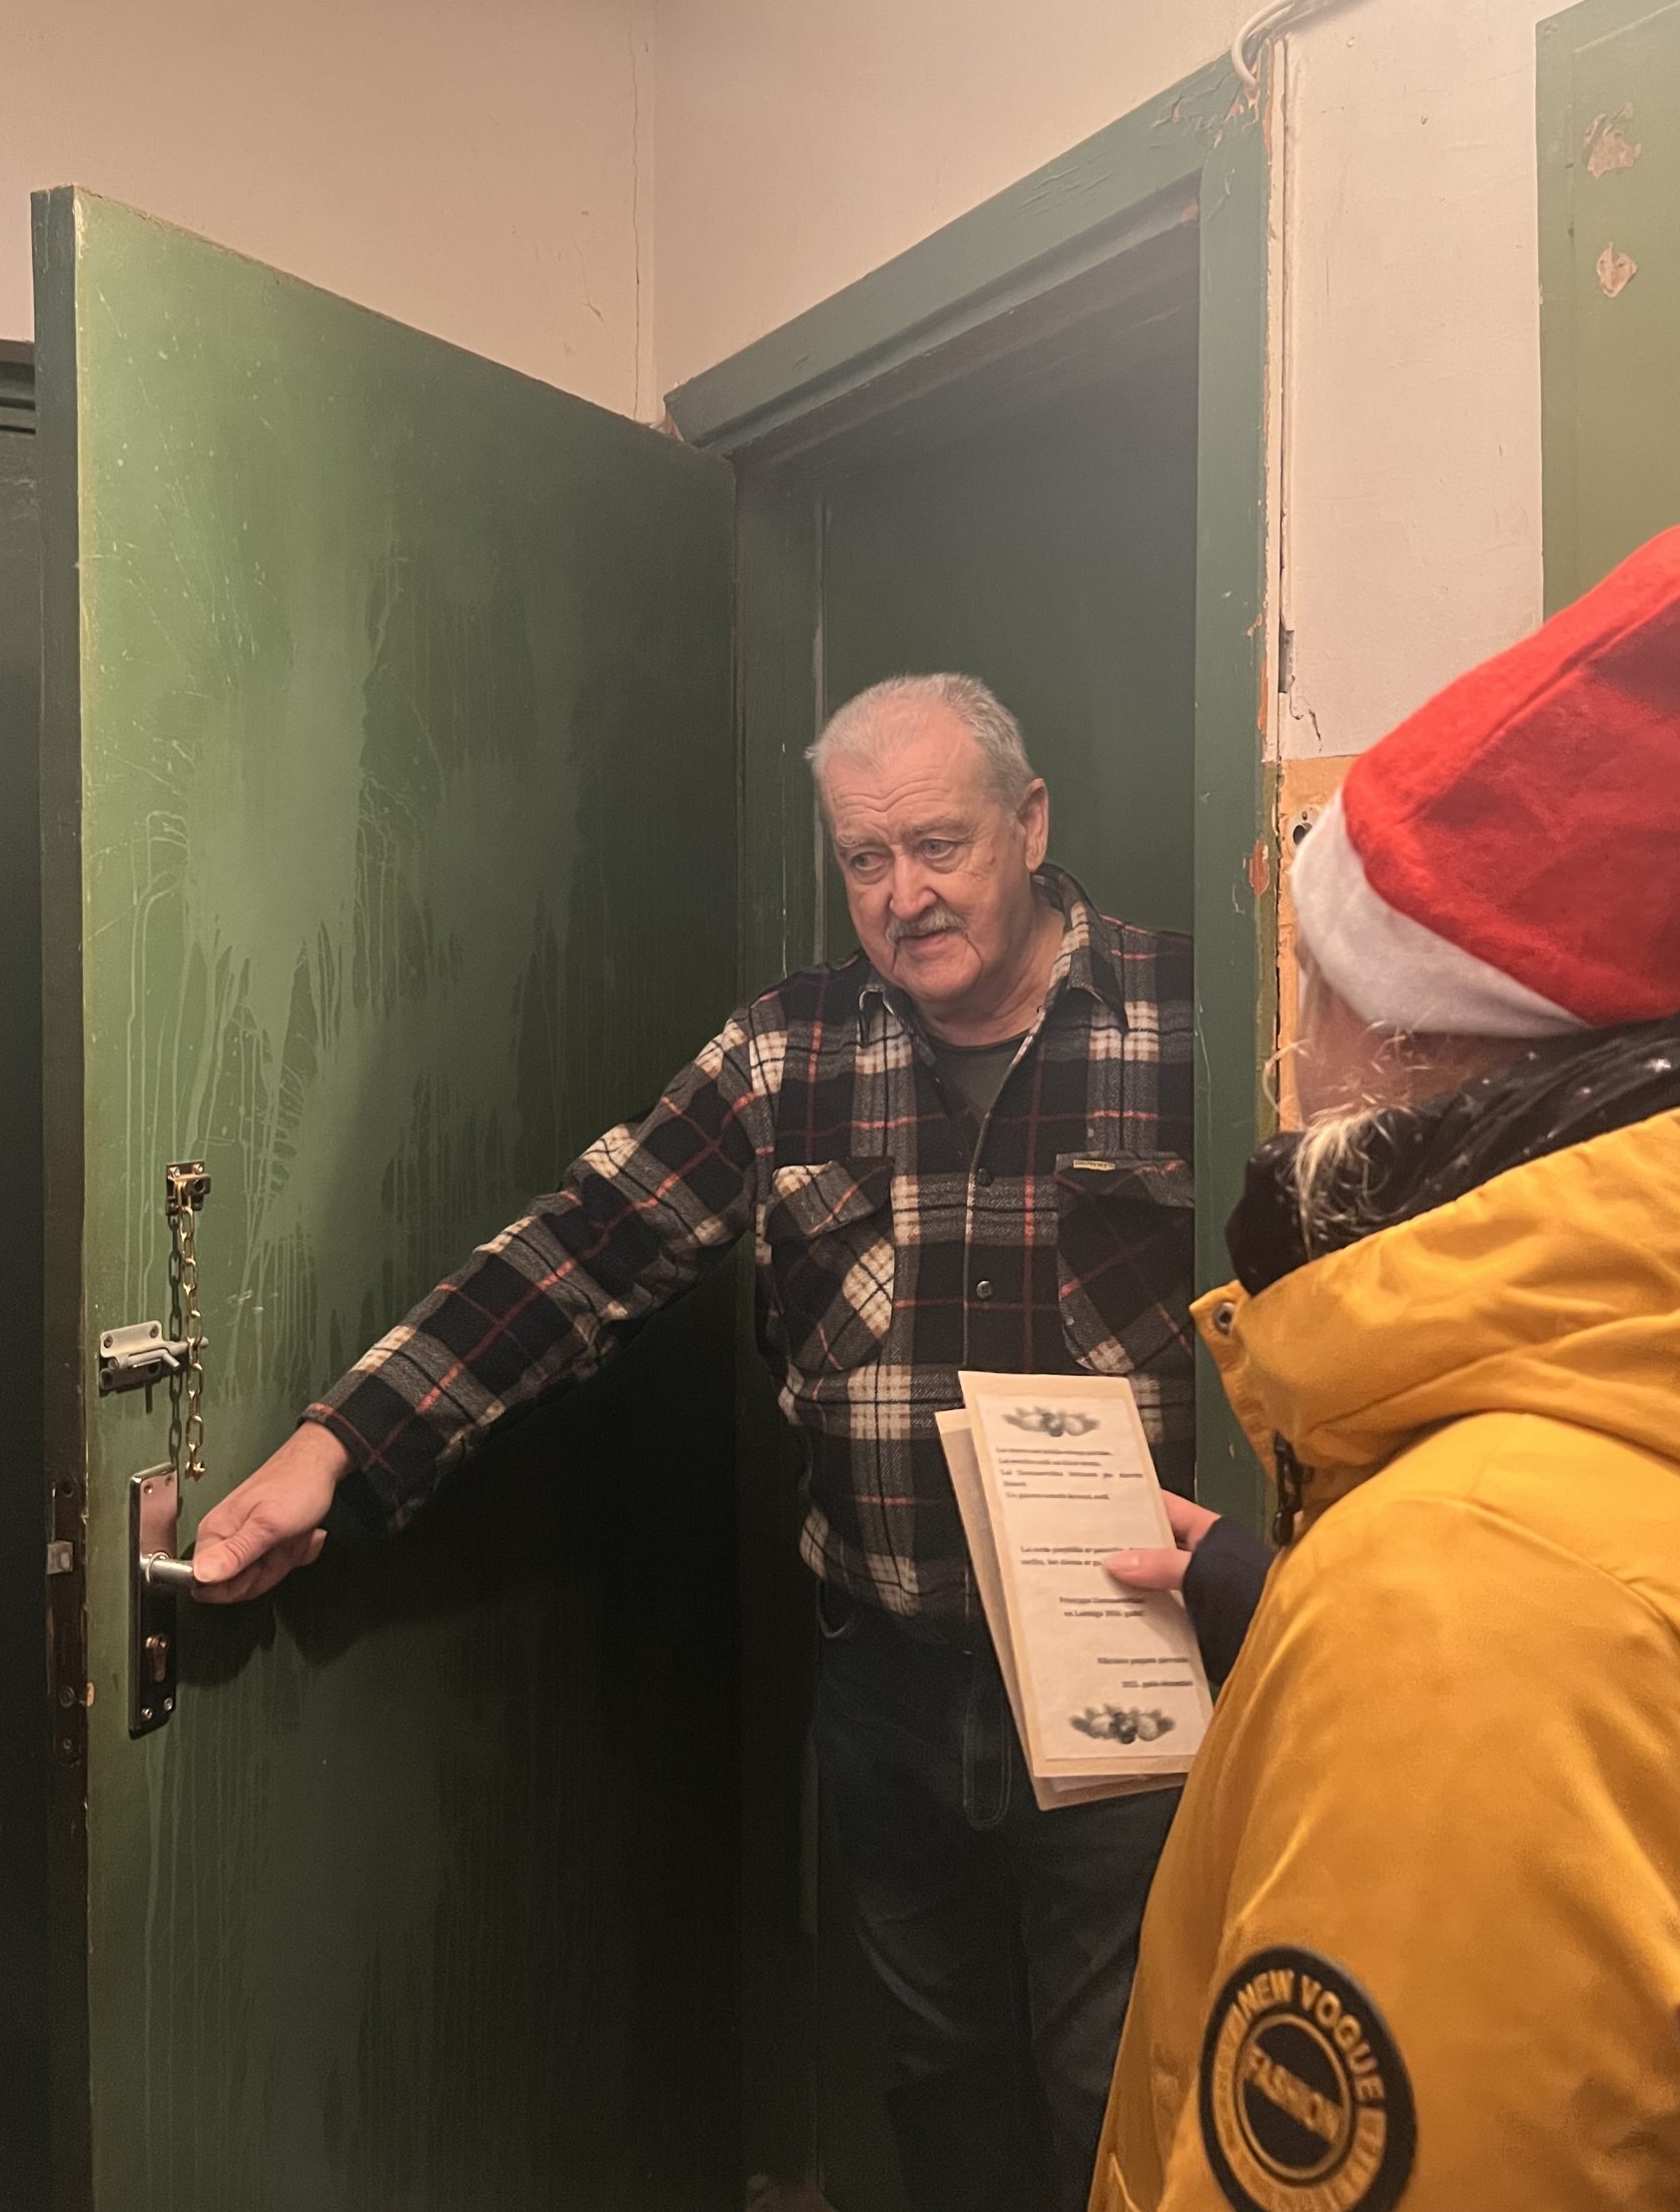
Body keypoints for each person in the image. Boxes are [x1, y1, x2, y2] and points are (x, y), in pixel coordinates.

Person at [192, 670, 1243, 2212]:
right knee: (941, 2069)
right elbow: (579, 1252)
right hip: (891, 1678)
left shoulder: (1200, 1016)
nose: (904, 895)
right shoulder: (783, 1053)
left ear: (1030, 823)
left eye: (939, 845)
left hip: (1139, 1674)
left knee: (1133, 2075)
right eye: (865, 859)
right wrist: (335, 1448)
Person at [1095, 519, 1680, 2212]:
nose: (1291, 1045)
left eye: (1312, 982)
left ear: (1408, 1036)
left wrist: (1395, 1617)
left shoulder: (1483, 1605)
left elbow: (1543, 1675)